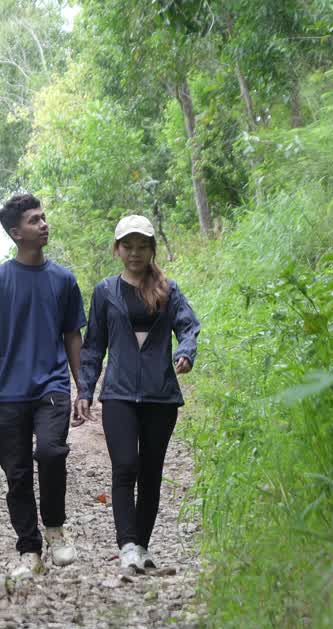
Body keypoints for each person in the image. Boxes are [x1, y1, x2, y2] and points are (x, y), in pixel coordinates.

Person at [74, 214, 200, 573]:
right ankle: (126, 544)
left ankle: (142, 547)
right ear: (117, 249)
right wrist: (85, 388)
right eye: (127, 246)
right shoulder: (105, 292)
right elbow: (94, 344)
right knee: (125, 466)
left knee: (151, 472)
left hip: (161, 396)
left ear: (152, 249)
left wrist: (185, 351)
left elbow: (189, 326)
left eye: (142, 246)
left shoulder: (169, 290)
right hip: (119, 394)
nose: (134, 252)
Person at [0, 193, 87, 579]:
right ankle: (30, 550)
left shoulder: (63, 280)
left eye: (44, 218)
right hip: (8, 390)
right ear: (15, 232)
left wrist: (82, 387)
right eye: (34, 220)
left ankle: (55, 526)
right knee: (17, 473)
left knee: (53, 452)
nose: (44, 224)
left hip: (52, 385)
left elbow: (73, 336)